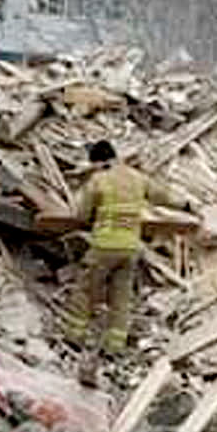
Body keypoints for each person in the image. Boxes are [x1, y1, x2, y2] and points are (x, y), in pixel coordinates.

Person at [62, 141, 175, 361]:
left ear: (98, 162)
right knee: (121, 296)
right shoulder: (137, 177)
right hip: (130, 247)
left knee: (86, 289)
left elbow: (81, 215)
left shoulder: (99, 179)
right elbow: (164, 196)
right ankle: (114, 346)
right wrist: (188, 205)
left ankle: (74, 336)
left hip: (105, 245)